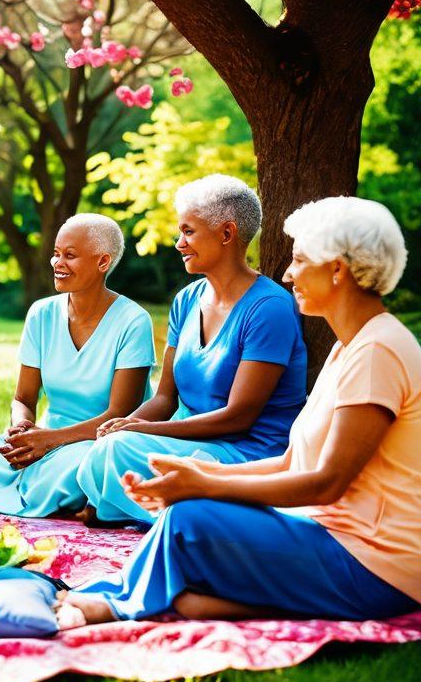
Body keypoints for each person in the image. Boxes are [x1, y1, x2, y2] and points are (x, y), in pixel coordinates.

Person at [59, 197, 420, 627]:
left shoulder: (376, 350)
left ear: (338, 270)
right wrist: (199, 477)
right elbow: (292, 462)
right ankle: (175, 600)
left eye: (300, 260)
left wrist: (206, 489)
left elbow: (327, 483)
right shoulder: (350, 346)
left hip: (373, 565)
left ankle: (115, 604)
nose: (287, 274)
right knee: (191, 572)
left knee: (190, 521)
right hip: (335, 542)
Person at [75, 175, 308, 523]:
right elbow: (164, 399)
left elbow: (238, 417)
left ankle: (163, 511)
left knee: (117, 451)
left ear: (226, 234)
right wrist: (123, 425)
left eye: (188, 232)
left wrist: (140, 432)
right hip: (186, 446)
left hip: (246, 456)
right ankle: (162, 509)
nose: (179, 243)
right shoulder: (187, 300)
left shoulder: (269, 307)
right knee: (103, 448)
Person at [0, 214, 155, 517]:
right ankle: (49, 499)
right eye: (56, 253)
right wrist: (21, 428)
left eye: (70, 255)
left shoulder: (133, 321)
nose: (57, 263)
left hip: (94, 445)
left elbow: (118, 415)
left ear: (103, 262)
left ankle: (26, 494)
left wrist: (48, 441)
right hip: (45, 442)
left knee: (85, 467)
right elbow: (23, 398)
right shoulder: (41, 314)